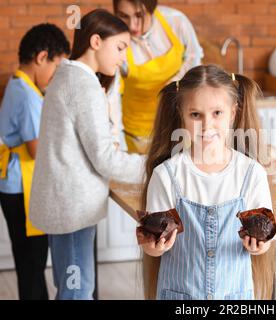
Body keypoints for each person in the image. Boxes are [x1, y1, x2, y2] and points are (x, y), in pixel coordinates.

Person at [29, 9, 146, 300]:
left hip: (64, 206)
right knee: (77, 292)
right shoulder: (84, 85)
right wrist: (153, 165)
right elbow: (105, 158)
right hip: (72, 209)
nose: (123, 58)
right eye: (120, 48)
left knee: (70, 288)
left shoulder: (67, 76)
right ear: (95, 41)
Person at [139, 64, 276, 300]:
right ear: (181, 114)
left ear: (233, 112)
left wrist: (259, 246)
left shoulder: (251, 173)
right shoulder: (167, 175)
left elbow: (266, 239)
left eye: (217, 113)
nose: (207, 125)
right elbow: (151, 245)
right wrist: (153, 246)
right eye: (195, 115)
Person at [0, 24, 70, 300]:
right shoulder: (27, 95)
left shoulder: (20, 86)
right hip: (22, 187)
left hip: (14, 185)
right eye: (56, 68)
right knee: (33, 260)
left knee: (28, 260)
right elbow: (37, 149)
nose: (55, 78)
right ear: (42, 58)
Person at [112, 0, 203, 153]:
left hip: (179, 124)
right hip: (138, 133)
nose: (133, 26)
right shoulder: (115, 41)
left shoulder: (175, 21)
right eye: (123, 16)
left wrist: (175, 83)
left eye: (139, 15)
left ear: (151, 8)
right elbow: (113, 93)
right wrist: (116, 137)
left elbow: (194, 57)